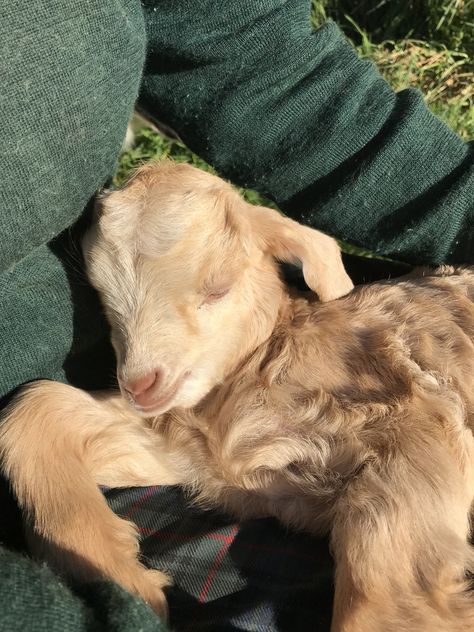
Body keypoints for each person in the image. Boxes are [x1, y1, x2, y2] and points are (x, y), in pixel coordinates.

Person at [0, 1, 472, 630]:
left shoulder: (324, 350)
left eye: (215, 286)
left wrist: (387, 603)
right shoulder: (171, 381)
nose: (140, 368)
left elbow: (416, 446)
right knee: (38, 417)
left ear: (292, 252)